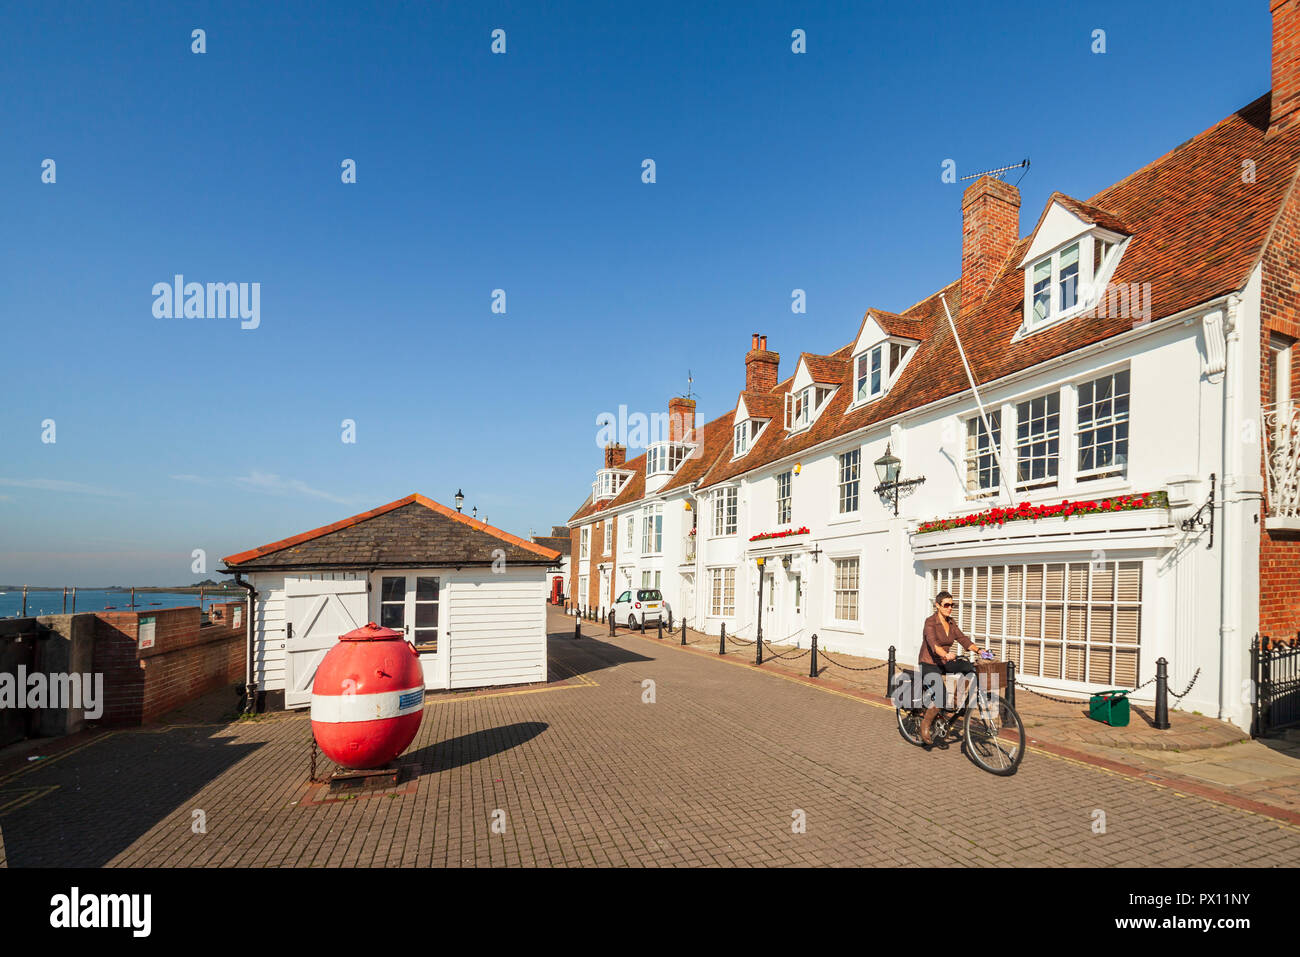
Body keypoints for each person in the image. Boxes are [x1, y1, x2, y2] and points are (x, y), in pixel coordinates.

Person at [918, 591, 981, 747]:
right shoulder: (930, 622)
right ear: (937, 605)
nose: (950, 608)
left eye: (952, 605)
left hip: (944, 662)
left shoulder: (951, 623)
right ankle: (925, 724)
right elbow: (933, 644)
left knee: (970, 667)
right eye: (946, 605)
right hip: (929, 663)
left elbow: (963, 639)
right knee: (940, 696)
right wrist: (945, 654)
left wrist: (980, 651)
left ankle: (954, 702)